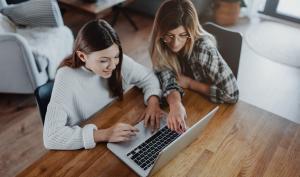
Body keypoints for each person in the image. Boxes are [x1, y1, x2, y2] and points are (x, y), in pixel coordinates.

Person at [43, 19, 163, 150]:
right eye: (103, 60)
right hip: (86, 149)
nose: (112, 66)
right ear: (83, 57)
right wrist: (104, 134)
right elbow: (51, 137)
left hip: (115, 125)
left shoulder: (116, 61)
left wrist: (153, 103)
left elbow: (148, 77)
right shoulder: (66, 77)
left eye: (116, 56)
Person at [149, 0, 239, 133]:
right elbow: (164, 72)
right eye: (169, 36)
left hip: (212, 112)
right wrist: (175, 104)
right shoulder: (161, 43)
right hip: (189, 104)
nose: (175, 43)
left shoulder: (205, 50)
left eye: (182, 35)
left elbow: (232, 95)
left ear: (190, 32)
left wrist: (191, 83)